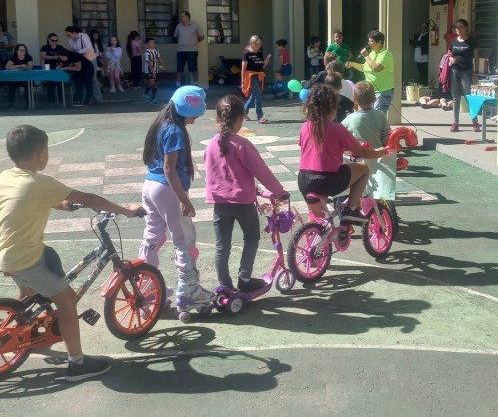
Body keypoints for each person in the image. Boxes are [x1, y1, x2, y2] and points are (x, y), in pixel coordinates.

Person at [0, 125, 142, 381]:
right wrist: (127, 210)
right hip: (23, 257)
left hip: (6, 253)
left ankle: (28, 330)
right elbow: (90, 198)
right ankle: (77, 363)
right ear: (41, 155)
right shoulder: (40, 182)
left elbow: (36, 200)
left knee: (32, 286)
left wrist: (64, 205)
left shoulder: (7, 176)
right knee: (66, 301)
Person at [138, 86, 216, 309]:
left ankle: (146, 289)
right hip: (168, 190)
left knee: (152, 238)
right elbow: (169, 168)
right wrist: (183, 199)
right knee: (184, 240)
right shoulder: (175, 131)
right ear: (187, 110)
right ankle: (190, 289)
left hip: (150, 186)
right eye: (194, 115)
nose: (194, 120)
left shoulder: (161, 124)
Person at [204, 94, 290, 292]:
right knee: (251, 237)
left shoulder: (211, 144)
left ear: (218, 119)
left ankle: (224, 284)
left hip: (220, 203)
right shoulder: (242, 145)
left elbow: (212, 173)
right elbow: (262, 171)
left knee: (221, 244)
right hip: (243, 202)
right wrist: (279, 192)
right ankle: (244, 278)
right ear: (242, 118)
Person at [298, 84, 386, 221]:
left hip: (304, 179)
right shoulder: (337, 128)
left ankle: (311, 237)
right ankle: (351, 209)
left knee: (318, 218)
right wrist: (379, 152)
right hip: (328, 179)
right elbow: (362, 152)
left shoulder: (305, 127)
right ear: (333, 107)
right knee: (364, 168)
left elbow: (313, 148)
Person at [346, 30, 394, 116]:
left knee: (378, 116)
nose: (369, 43)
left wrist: (365, 56)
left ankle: (382, 129)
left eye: (371, 41)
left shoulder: (385, 54)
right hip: (371, 91)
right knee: (371, 116)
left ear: (379, 42)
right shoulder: (372, 54)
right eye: (368, 41)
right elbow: (365, 68)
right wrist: (352, 64)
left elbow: (376, 68)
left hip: (382, 91)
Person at [447, 19, 481, 132]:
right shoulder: (453, 41)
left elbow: (476, 58)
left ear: (466, 28)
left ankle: (475, 123)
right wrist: (451, 57)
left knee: (469, 97)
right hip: (454, 72)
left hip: (467, 72)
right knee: (455, 97)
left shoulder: (472, 41)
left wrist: (476, 72)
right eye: (456, 27)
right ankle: (455, 123)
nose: (458, 29)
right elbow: (449, 52)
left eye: (460, 27)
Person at [342, 81, 391, 149]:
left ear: (354, 99)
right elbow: (387, 138)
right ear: (374, 98)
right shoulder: (381, 115)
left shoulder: (349, 119)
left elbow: (342, 140)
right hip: (378, 155)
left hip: (358, 157)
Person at [65, 26, 102, 104]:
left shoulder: (84, 36)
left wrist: (78, 52)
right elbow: (74, 51)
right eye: (67, 35)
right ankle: (86, 99)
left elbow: (88, 47)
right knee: (82, 79)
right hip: (81, 61)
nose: (68, 36)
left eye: (69, 34)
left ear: (74, 33)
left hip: (90, 59)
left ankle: (98, 98)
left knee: (93, 79)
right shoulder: (70, 41)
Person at [241, 35, 271, 124]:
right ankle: (260, 116)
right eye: (257, 44)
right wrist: (242, 81)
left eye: (260, 44)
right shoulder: (247, 54)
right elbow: (243, 68)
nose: (258, 46)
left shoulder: (260, 52)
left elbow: (262, 65)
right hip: (251, 76)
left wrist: (267, 59)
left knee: (253, 96)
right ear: (252, 44)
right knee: (258, 96)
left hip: (259, 75)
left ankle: (243, 112)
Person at [174, 10, 205, 87]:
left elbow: (202, 36)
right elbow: (176, 36)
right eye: (181, 16)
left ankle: (196, 84)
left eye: (182, 16)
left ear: (187, 17)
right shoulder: (179, 26)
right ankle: (178, 85)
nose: (181, 18)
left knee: (193, 68)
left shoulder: (195, 25)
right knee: (179, 68)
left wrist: (194, 42)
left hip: (192, 51)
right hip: (181, 51)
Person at [40, 33, 69, 106]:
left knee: (59, 84)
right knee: (50, 84)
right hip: (48, 68)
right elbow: (43, 56)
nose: (54, 42)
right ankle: (51, 101)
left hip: (58, 67)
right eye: (52, 40)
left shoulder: (60, 47)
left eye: (56, 40)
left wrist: (60, 64)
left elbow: (66, 56)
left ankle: (60, 101)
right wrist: (55, 57)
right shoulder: (45, 47)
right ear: (48, 40)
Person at [4, 44, 33, 109]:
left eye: (24, 50)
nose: (23, 51)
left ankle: (28, 102)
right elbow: (7, 67)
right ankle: (11, 103)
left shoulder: (28, 57)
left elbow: (30, 67)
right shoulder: (13, 57)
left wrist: (16, 67)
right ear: (17, 51)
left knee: (28, 84)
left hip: (26, 78)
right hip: (16, 79)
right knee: (11, 84)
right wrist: (20, 66)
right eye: (21, 50)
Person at [143, 37, 165, 104]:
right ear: (148, 44)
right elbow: (149, 63)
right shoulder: (147, 52)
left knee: (156, 84)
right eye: (151, 42)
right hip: (149, 69)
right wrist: (153, 72)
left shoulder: (156, 50)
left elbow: (159, 58)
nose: (153, 44)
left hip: (156, 69)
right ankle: (146, 93)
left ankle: (153, 98)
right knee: (151, 82)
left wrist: (163, 65)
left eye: (154, 42)